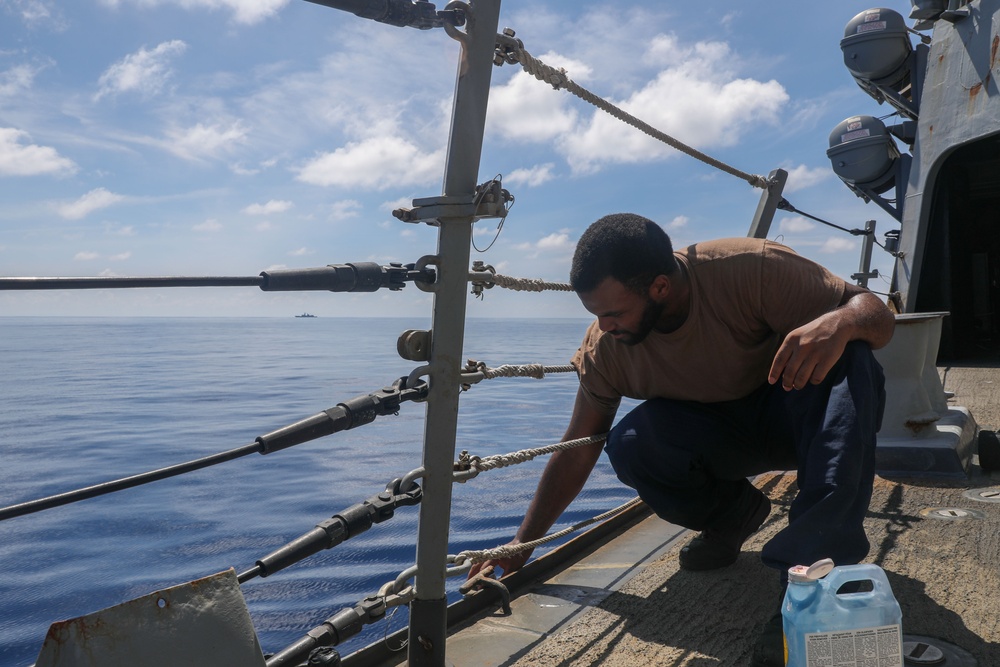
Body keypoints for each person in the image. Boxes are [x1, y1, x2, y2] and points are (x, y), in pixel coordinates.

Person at [468, 212, 894, 666]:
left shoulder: (752, 269)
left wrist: (844, 322)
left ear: (660, 287)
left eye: (613, 313)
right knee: (631, 441)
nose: (605, 326)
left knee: (852, 362)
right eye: (596, 315)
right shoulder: (606, 348)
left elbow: (877, 315)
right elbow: (578, 446)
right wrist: (520, 547)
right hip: (721, 437)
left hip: (797, 415)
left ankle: (814, 590)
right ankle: (734, 516)